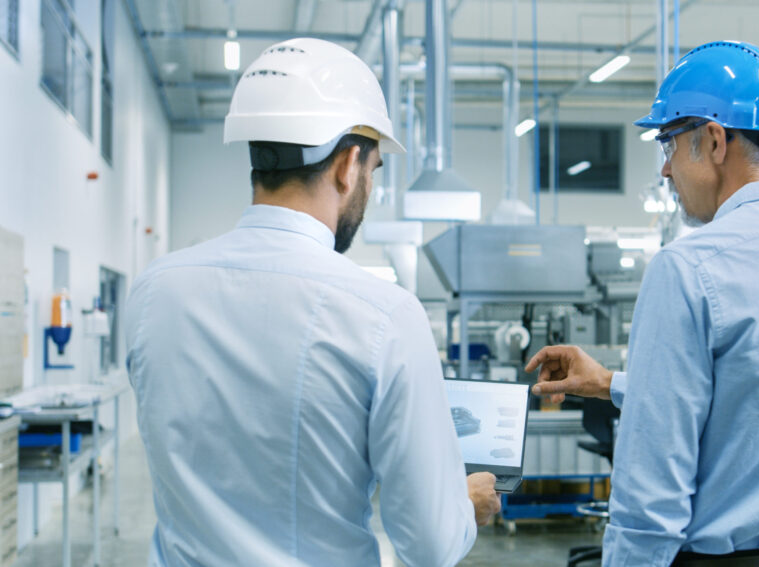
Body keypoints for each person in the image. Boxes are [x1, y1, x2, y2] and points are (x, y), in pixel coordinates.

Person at [125, 38, 499, 567]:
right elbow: (430, 544)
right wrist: (461, 504)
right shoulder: (385, 316)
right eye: (373, 171)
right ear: (349, 165)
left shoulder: (152, 291)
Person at [525, 41, 759, 567]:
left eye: (669, 145)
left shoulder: (690, 268)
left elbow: (651, 500)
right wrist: (612, 385)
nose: (664, 170)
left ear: (715, 140)